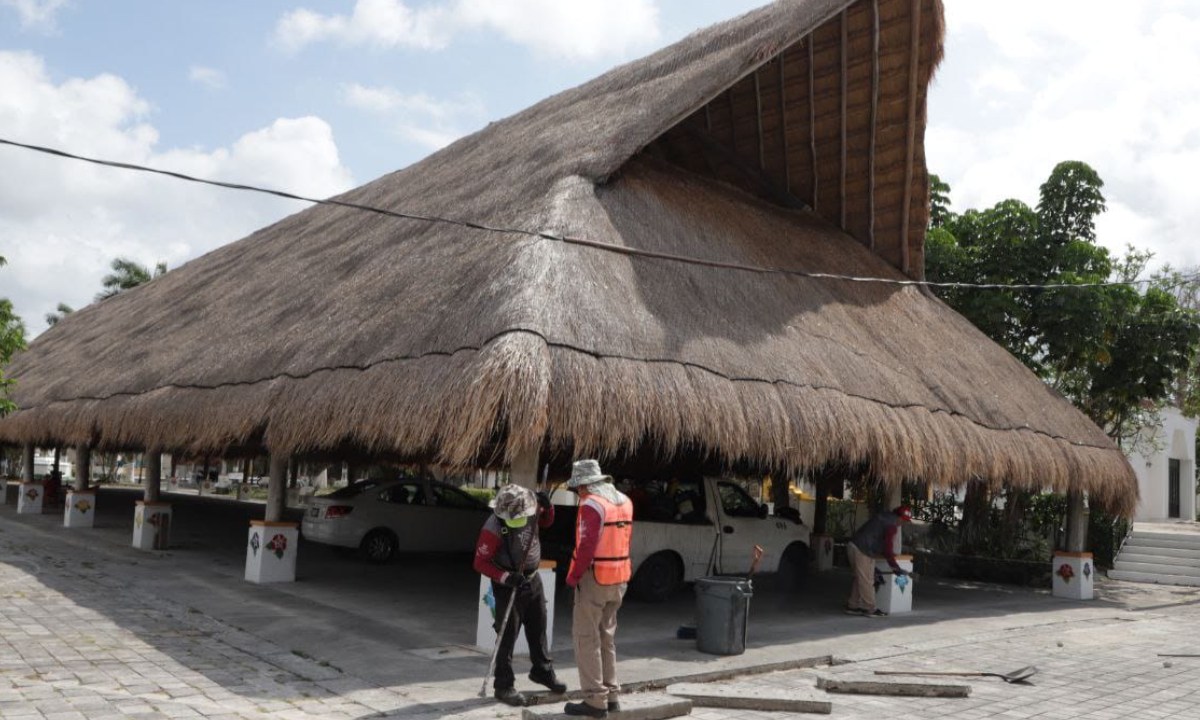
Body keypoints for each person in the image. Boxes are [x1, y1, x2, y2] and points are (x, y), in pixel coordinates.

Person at [474, 483, 566, 707]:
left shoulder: (532, 509)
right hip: (508, 583)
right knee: (507, 634)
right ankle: (503, 685)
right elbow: (480, 562)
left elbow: (546, 522)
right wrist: (506, 577)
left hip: (532, 578)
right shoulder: (492, 528)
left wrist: (549, 507)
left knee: (538, 625)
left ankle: (542, 671)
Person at [563, 459, 633, 718]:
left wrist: (573, 577)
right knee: (607, 637)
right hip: (619, 577)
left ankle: (594, 700)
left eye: (577, 488)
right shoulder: (624, 501)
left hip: (595, 579)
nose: (578, 493)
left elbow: (586, 546)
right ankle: (611, 696)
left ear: (584, 485)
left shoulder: (592, 504)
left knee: (586, 638)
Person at [845, 505, 912, 617]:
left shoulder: (884, 516)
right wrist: (895, 568)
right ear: (899, 517)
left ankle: (853, 605)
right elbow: (888, 549)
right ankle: (870, 608)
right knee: (867, 580)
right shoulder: (892, 526)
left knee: (860, 578)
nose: (902, 523)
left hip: (854, 545)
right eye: (903, 520)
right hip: (862, 549)